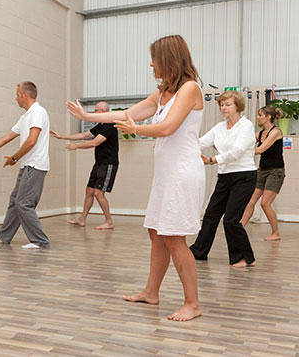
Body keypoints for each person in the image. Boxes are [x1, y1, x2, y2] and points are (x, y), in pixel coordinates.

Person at [67, 35, 204, 321]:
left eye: (154, 58)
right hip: (166, 176)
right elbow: (128, 113)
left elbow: (167, 128)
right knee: (156, 232)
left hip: (183, 174)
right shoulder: (162, 94)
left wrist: (134, 130)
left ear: (169, 59)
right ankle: (151, 293)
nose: (151, 63)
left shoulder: (190, 89)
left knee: (174, 237)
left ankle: (192, 304)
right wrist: (88, 115)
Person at [0, 81, 51, 249]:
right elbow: (6, 137)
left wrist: (14, 158)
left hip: (35, 165)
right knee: (15, 199)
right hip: (27, 164)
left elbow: (31, 141)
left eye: (17, 95)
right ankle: (4, 235)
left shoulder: (38, 112)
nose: (15, 98)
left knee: (23, 203)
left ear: (25, 95)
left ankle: (40, 241)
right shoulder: (25, 117)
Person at [189, 90, 257, 268]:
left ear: (238, 106)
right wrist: (175, 144)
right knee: (211, 215)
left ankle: (245, 257)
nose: (224, 108)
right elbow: (200, 142)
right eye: (222, 105)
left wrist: (212, 159)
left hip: (245, 176)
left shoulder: (246, 126)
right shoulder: (219, 127)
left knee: (231, 220)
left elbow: (236, 152)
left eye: (228, 104)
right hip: (225, 176)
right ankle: (199, 251)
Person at [50, 101, 119, 230]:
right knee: (89, 191)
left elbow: (94, 143)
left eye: (96, 110)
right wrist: (61, 137)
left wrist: (76, 146)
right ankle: (82, 219)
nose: (94, 112)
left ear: (104, 112)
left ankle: (109, 221)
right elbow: (84, 135)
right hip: (99, 163)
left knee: (99, 193)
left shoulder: (110, 125)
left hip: (108, 164)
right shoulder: (100, 125)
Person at [240, 105, 285, 241]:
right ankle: (239, 228)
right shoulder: (260, 134)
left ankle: (275, 233)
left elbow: (261, 149)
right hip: (262, 171)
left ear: (268, 117)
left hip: (275, 172)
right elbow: (244, 141)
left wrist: (237, 151)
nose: (258, 117)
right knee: (250, 201)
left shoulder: (275, 132)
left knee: (265, 203)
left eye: (260, 115)